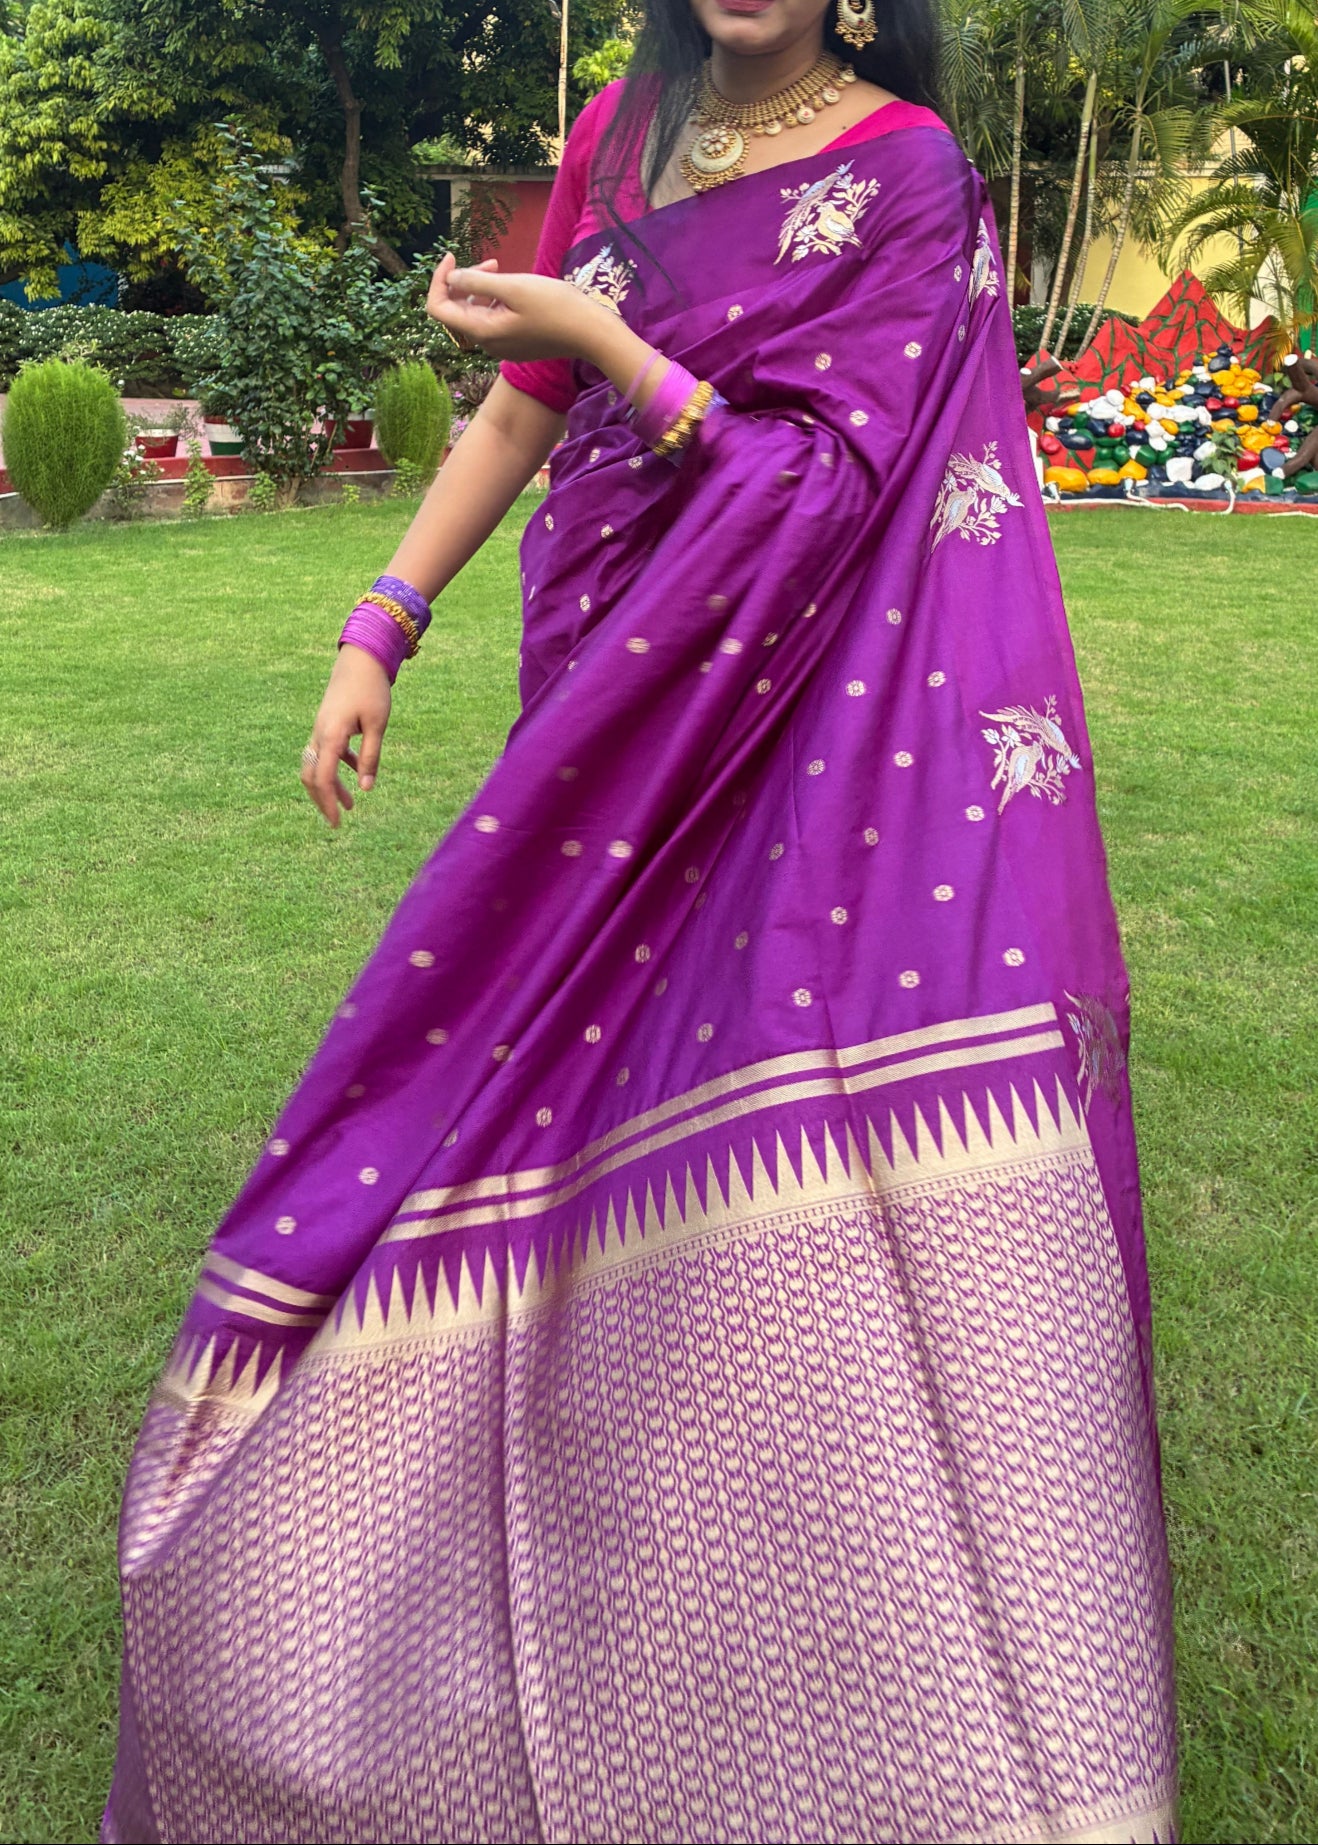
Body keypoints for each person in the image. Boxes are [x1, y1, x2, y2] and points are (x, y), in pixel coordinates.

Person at [103, 0, 1178, 1839]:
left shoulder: (905, 169)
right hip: (613, 701)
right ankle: (520, 1529)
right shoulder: (624, 124)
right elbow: (527, 402)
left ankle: (845, 1638)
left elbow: (829, 489)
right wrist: (382, 616)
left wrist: (607, 331)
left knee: (762, 1087)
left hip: (812, 736)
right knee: (565, 1099)